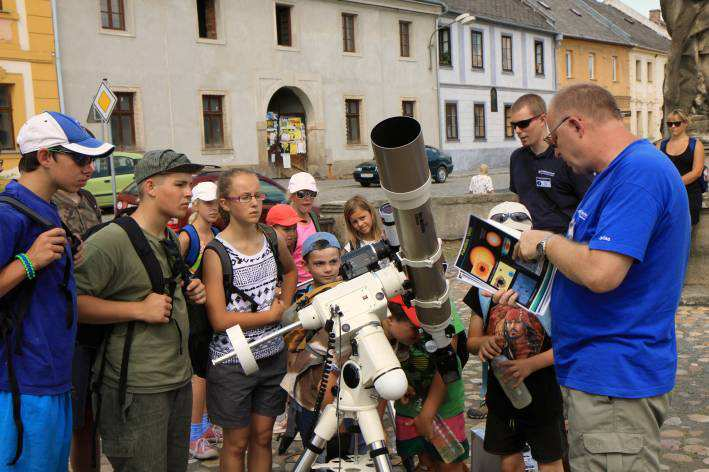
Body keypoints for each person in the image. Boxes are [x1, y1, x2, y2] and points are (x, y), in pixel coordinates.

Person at [501, 83, 690, 471]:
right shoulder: (615, 174)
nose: (554, 149)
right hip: (600, 378)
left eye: (554, 135)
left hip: (615, 382)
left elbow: (602, 273)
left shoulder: (638, 174)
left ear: (576, 125)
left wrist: (545, 243)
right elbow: (587, 260)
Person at [75, 150, 208, 472]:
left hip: (177, 379)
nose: (189, 192)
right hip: (136, 388)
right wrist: (137, 309)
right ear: (150, 187)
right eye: (179, 184)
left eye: (189, 184)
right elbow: (73, 304)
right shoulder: (111, 241)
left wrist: (191, 290)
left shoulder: (171, 239)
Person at [0, 111, 114, 469]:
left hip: (51, 377)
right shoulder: (8, 215)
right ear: (46, 157)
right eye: (79, 158)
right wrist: (29, 261)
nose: (89, 168)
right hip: (20, 385)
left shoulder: (47, 209)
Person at [202, 169, 297, 472]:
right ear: (226, 204)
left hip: (272, 355)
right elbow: (218, 319)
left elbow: (291, 271)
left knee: (262, 437)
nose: (255, 203)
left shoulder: (271, 237)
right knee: (236, 442)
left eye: (258, 195)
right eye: (245, 197)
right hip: (232, 360)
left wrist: (286, 305)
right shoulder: (216, 253)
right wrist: (269, 315)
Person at [465, 202, 565, 472]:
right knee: (508, 457)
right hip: (502, 391)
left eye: (518, 243)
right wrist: (483, 344)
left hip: (544, 389)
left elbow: (570, 345)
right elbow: (472, 340)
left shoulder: (554, 285)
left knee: (550, 458)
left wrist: (529, 365)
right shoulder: (481, 290)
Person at [281, 232, 357, 459]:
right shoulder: (303, 300)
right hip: (309, 387)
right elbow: (292, 343)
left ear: (341, 259)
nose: (328, 269)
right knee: (313, 448)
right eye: (320, 263)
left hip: (345, 384)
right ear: (306, 265)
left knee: (343, 451)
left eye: (333, 262)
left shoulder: (352, 291)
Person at [53, 175, 104, 472]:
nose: (88, 168)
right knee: (78, 419)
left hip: (96, 311)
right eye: (80, 160)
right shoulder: (46, 203)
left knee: (94, 417)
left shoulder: (88, 197)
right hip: (69, 322)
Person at [386, 298, 469, 471]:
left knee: (449, 462)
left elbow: (447, 365)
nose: (419, 335)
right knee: (424, 461)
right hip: (409, 408)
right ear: (389, 319)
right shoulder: (383, 318)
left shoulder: (441, 305)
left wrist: (427, 414)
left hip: (445, 405)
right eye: (414, 329)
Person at [177, 181, 221, 461]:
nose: (213, 208)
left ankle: (204, 426)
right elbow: (173, 275)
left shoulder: (217, 233)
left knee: (208, 372)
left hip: (212, 312)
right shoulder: (187, 236)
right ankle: (193, 434)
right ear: (195, 205)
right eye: (207, 203)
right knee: (198, 374)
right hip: (194, 314)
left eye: (216, 202)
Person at [508, 93, 592, 235]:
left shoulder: (565, 156)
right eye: (514, 125)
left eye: (523, 124)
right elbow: (519, 199)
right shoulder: (517, 158)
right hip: (528, 244)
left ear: (542, 119)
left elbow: (590, 204)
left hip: (563, 245)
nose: (517, 131)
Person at [657, 109, 705, 226]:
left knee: (688, 231)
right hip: (668, 195)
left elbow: (697, 172)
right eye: (669, 124)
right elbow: (657, 171)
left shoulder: (696, 144)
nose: (673, 126)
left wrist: (674, 183)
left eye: (677, 123)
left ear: (685, 123)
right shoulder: (660, 145)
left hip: (690, 194)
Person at [288, 172, 320, 288]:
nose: (307, 198)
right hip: (296, 286)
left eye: (312, 194)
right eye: (301, 194)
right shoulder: (285, 221)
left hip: (316, 281)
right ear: (291, 195)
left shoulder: (313, 216)